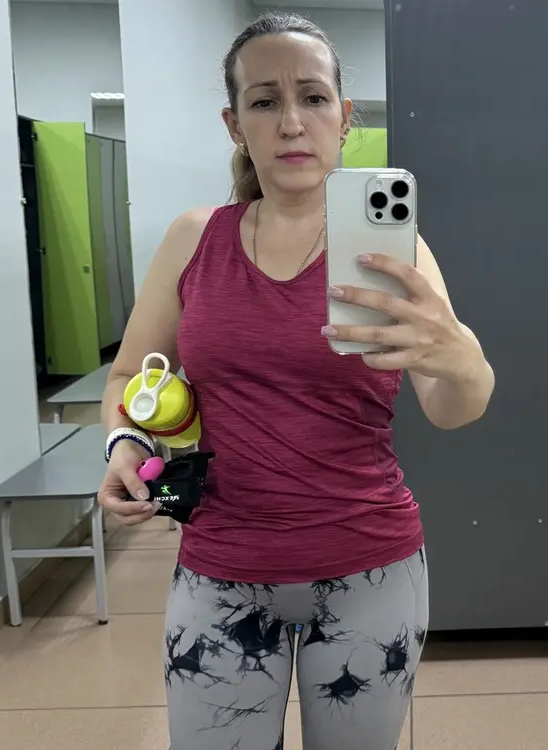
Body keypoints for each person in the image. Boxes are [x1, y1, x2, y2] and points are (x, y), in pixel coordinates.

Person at [97, 11, 494, 750]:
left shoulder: (395, 251)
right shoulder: (194, 239)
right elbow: (128, 373)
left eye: (313, 97)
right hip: (220, 567)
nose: (290, 122)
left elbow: (450, 406)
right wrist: (124, 443)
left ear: (344, 117)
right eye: (264, 100)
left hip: (371, 568)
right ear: (233, 123)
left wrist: (464, 358)